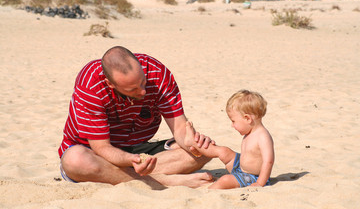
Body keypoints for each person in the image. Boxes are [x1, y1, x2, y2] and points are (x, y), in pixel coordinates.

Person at [58, 46, 214, 188]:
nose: (143, 92)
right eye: (133, 89)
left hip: (136, 149)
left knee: (205, 149)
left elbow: (179, 127)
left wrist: (190, 142)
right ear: (110, 84)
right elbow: (102, 147)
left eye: (143, 82)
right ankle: (163, 181)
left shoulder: (156, 73)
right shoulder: (91, 85)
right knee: (74, 160)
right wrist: (132, 160)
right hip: (96, 153)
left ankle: (126, 175)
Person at [184, 90, 275, 189]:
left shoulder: (263, 136)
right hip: (240, 167)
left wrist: (260, 183)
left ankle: (210, 190)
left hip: (253, 177)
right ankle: (192, 142)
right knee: (223, 151)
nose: (232, 125)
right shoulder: (250, 132)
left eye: (233, 121)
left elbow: (268, 161)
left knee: (225, 180)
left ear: (247, 119)